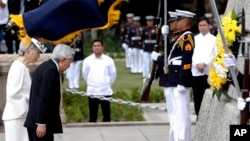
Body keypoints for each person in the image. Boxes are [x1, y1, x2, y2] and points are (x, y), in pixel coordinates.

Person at [153, 9, 196, 141]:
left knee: (181, 115)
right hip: (170, 78)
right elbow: (170, 54)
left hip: (178, 79)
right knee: (173, 114)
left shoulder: (187, 37)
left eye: (176, 20)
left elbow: (186, 61)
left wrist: (182, 82)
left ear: (184, 22)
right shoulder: (177, 37)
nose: (173, 23)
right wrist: (164, 36)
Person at [24, 44, 75, 141]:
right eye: (69, 62)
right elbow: (43, 97)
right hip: (41, 124)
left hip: (35, 121)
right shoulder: (51, 71)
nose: (68, 67)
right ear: (63, 59)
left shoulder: (44, 66)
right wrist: (41, 123)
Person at [2, 36, 45, 141]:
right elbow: (13, 93)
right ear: (28, 52)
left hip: (20, 115)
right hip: (16, 115)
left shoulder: (22, 67)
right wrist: (32, 101)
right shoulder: (18, 67)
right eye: (37, 53)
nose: (38, 56)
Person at [82, 39, 117, 122]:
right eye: (95, 46)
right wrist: (91, 83)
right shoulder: (87, 60)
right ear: (92, 48)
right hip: (92, 90)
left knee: (106, 114)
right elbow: (85, 74)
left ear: (102, 47)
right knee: (92, 114)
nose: (97, 48)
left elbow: (113, 74)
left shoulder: (109, 60)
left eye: (98, 46)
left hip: (105, 90)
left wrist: (107, 83)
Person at [191, 16, 216, 117]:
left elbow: (214, 55)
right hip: (196, 72)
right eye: (200, 25)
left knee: (209, 98)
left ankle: (208, 118)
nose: (202, 27)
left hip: (208, 73)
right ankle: (199, 117)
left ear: (209, 26)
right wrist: (197, 64)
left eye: (204, 25)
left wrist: (204, 63)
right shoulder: (194, 39)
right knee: (197, 98)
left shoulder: (214, 39)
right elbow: (191, 54)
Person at [141, 15, 157, 80]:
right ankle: (146, 75)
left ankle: (152, 75)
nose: (150, 23)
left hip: (153, 48)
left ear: (152, 22)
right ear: (147, 22)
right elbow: (142, 39)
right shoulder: (144, 29)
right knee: (146, 63)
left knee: (152, 63)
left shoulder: (155, 29)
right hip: (146, 48)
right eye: (148, 21)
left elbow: (157, 38)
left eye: (151, 21)